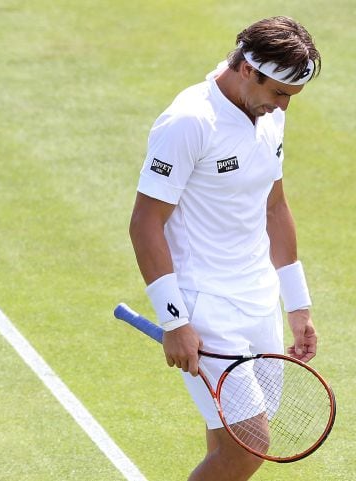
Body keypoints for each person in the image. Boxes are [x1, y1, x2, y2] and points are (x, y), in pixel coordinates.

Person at [129, 16, 322, 481]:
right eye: (279, 93)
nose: (283, 109)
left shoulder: (267, 114)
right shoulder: (188, 122)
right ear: (248, 70)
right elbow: (144, 224)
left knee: (228, 439)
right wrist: (175, 320)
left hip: (258, 300)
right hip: (205, 304)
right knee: (249, 447)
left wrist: (297, 306)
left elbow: (275, 207)